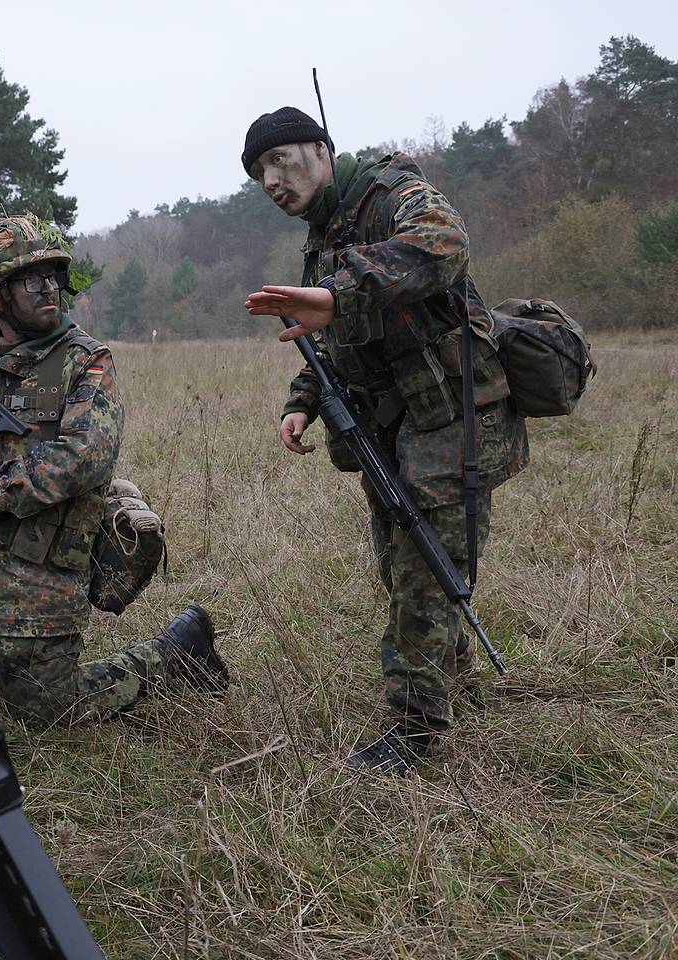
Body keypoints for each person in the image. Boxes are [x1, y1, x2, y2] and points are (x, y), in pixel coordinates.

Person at [241, 107, 528, 773]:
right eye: (259, 174)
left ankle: (413, 731)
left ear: (320, 149)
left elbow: (445, 245)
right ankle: (453, 681)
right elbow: (334, 341)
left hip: (451, 415)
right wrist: (302, 402)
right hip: (393, 426)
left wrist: (339, 291)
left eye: (279, 161)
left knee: (422, 575)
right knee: (403, 566)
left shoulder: (392, 191)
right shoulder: (323, 237)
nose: (271, 181)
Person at [0, 213, 229, 728]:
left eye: (54, 277)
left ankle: (177, 653)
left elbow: (84, 458)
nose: (49, 289)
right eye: (31, 280)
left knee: (45, 709)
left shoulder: (85, 361)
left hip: (36, 554)